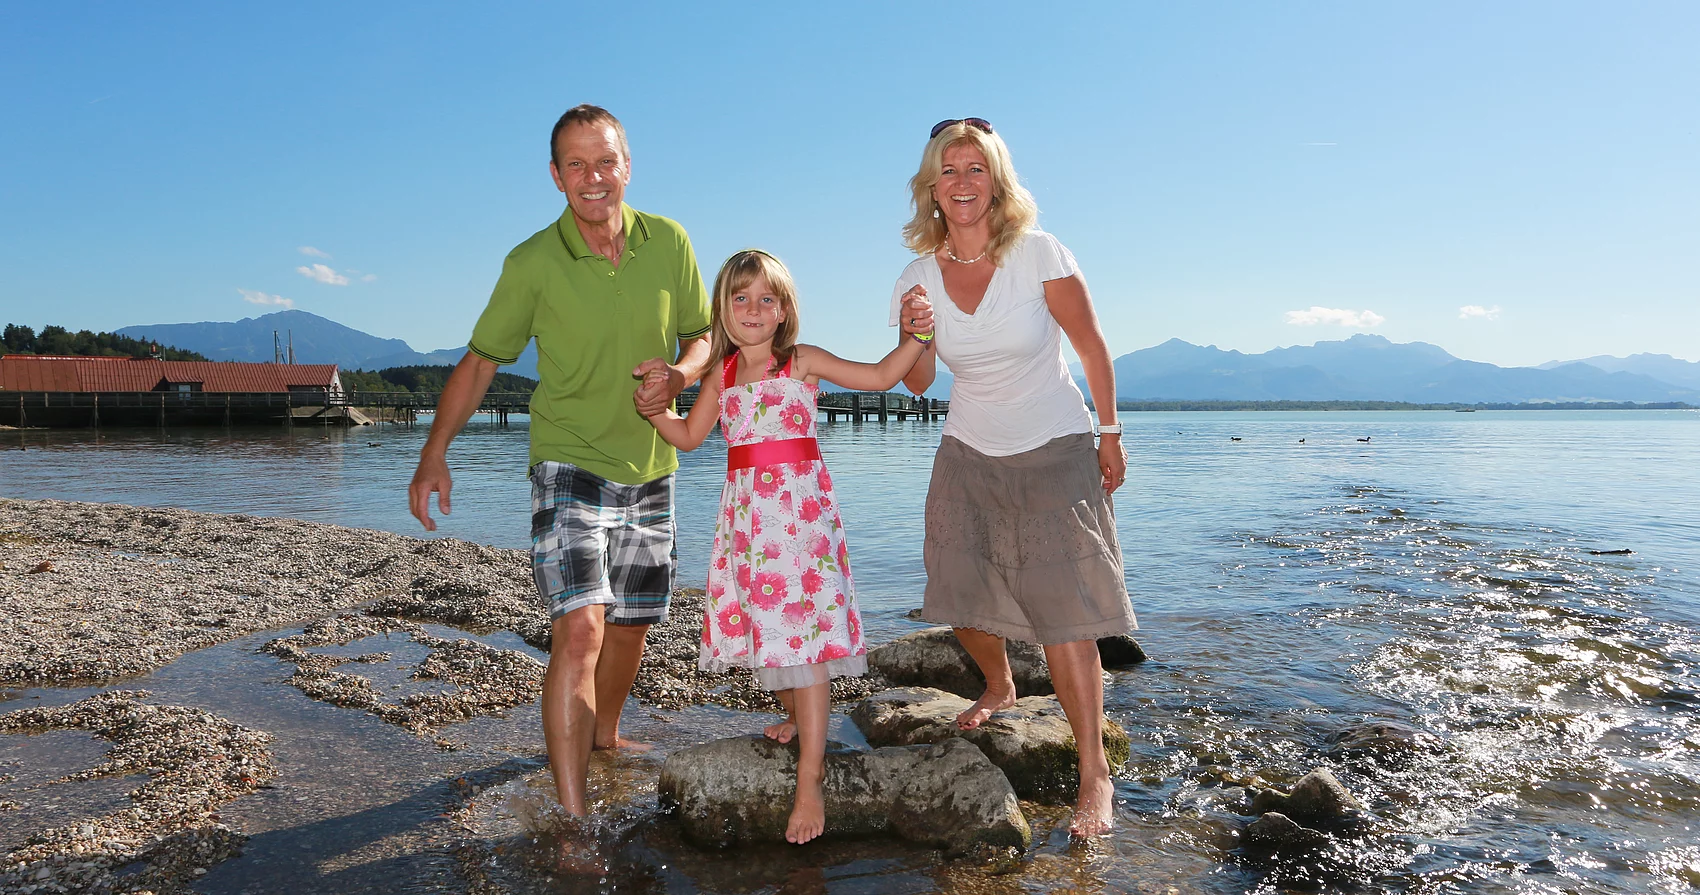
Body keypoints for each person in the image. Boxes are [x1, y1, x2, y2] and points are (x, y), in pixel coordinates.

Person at [408, 104, 714, 819]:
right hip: (567, 462)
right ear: (555, 176)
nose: (593, 177)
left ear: (627, 165)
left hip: (653, 464)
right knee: (580, 625)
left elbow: (704, 336)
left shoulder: (670, 241)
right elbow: (482, 361)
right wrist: (433, 452)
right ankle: (573, 819)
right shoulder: (532, 263)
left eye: (605, 161)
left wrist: (678, 373)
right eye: (575, 165)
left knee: (632, 622)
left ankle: (604, 734)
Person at [889, 118, 1137, 838]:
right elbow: (920, 382)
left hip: (1055, 442)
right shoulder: (917, 275)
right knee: (957, 588)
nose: (962, 183)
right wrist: (917, 332)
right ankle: (999, 682)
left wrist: (1111, 430)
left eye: (976, 169)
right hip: (969, 446)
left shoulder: (1039, 254)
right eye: (948, 170)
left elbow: (1090, 344)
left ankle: (1094, 773)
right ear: (930, 187)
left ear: (996, 179)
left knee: (1068, 613)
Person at [642, 248, 934, 844]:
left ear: (783, 311)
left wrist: (916, 335)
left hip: (799, 519)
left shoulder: (798, 362)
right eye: (740, 298)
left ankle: (811, 777)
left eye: (765, 299)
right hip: (750, 523)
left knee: (806, 635)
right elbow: (692, 438)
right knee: (769, 626)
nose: (752, 309)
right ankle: (799, 716)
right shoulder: (720, 374)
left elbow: (880, 377)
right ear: (722, 310)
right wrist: (653, 410)